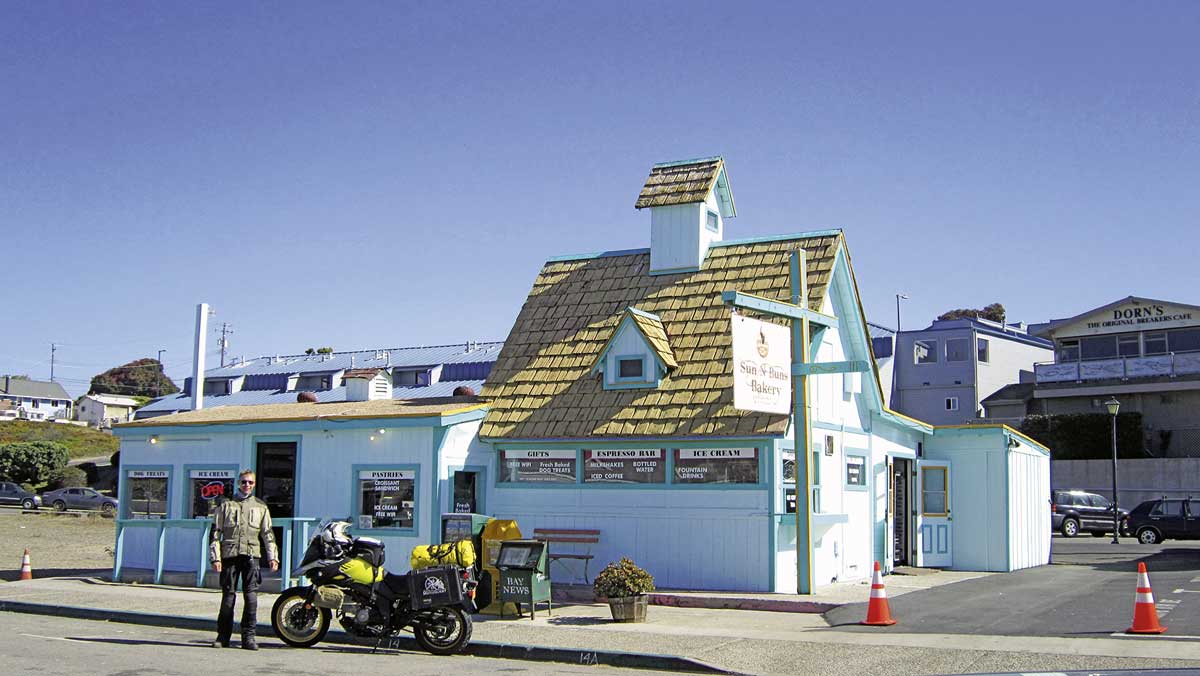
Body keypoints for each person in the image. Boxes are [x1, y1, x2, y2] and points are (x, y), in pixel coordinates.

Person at [210, 469, 279, 650]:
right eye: (243, 482)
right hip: (230, 555)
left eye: (250, 482)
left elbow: (267, 533)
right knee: (228, 597)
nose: (246, 485)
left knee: (251, 598)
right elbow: (215, 533)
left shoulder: (260, 506)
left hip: (251, 555)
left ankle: (248, 637)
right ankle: (222, 636)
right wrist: (215, 558)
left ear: (254, 485)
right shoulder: (226, 505)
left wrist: (273, 557)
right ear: (238, 483)